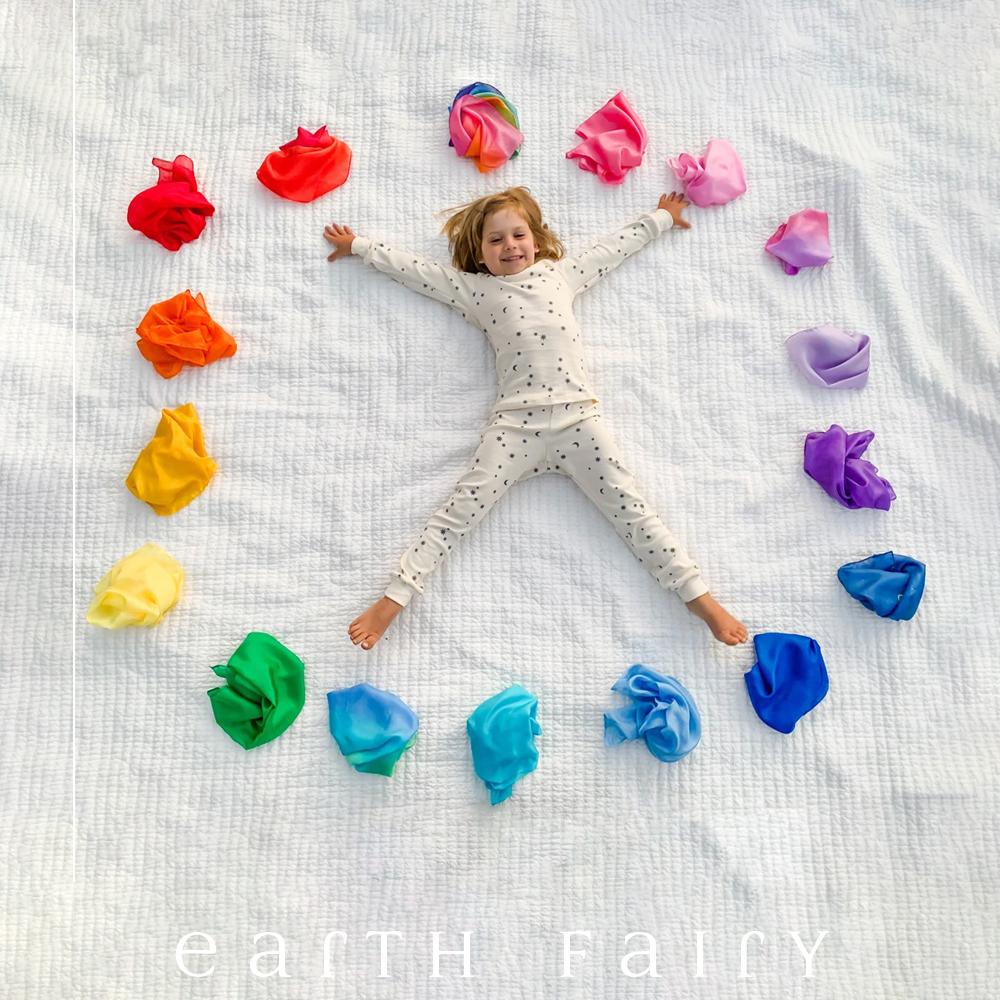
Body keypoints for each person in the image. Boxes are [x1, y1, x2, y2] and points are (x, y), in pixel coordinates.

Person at [324, 188, 747, 649]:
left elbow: (611, 251)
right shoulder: (477, 290)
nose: (509, 246)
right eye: (495, 240)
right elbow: (419, 272)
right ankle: (394, 599)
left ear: (536, 240)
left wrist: (661, 219)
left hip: (578, 420)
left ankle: (698, 597)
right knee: (457, 512)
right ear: (480, 255)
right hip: (515, 427)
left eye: (518, 235)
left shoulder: (558, 276)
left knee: (632, 508)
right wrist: (359, 246)